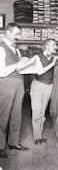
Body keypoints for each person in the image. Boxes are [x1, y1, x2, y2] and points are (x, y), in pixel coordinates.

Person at [0, 22, 29, 158]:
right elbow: (1, 71)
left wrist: (28, 64)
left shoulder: (16, 49)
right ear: (8, 32)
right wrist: (18, 63)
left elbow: (18, 68)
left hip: (19, 83)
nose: (18, 37)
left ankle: (13, 142)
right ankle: (0, 147)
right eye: (16, 34)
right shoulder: (1, 48)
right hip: (6, 83)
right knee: (3, 115)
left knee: (16, 114)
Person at [30, 38, 58, 145]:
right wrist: (53, 63)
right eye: (54, 45)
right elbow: (40, 71)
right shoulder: (37, 57)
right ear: (47, 46)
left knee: (42, 112)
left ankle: (40, 135)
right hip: (37, 86)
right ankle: (36, 137)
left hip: (49, 86)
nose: (56, 47)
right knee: (37, 112)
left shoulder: (55, 57)